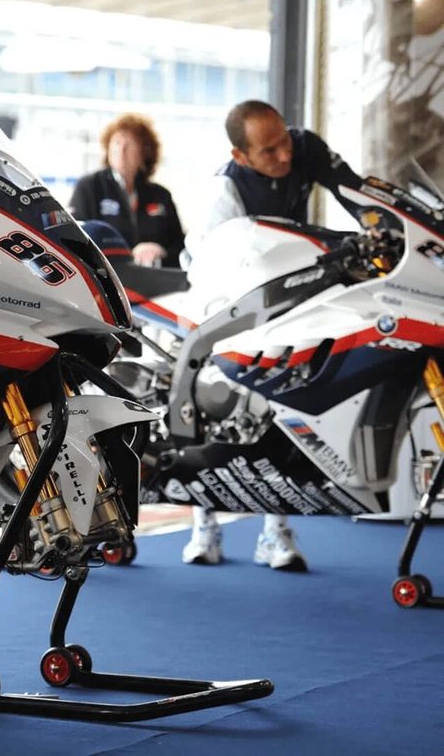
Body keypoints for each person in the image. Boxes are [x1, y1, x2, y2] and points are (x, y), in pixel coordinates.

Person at [183, 99, 363, 572]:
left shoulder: (303, 148)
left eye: (284, 140)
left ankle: (275, 532)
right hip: (224, 299)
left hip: (290, 298)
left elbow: (359, 194)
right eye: (269, 151)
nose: (285, 155)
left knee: (283, 409)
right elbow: (210, 270)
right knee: (219, 409)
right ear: (241, 156)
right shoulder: (224, 192)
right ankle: (204, 525)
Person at [69, 113, 185, 268]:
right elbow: (75, 240)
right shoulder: (90, 187)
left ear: (145, 151)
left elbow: (181, 247)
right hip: (107, 277)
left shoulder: (161, 195)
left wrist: (160, 251)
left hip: (154, 278)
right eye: (116, 142)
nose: (121, 149)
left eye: (129, 143)